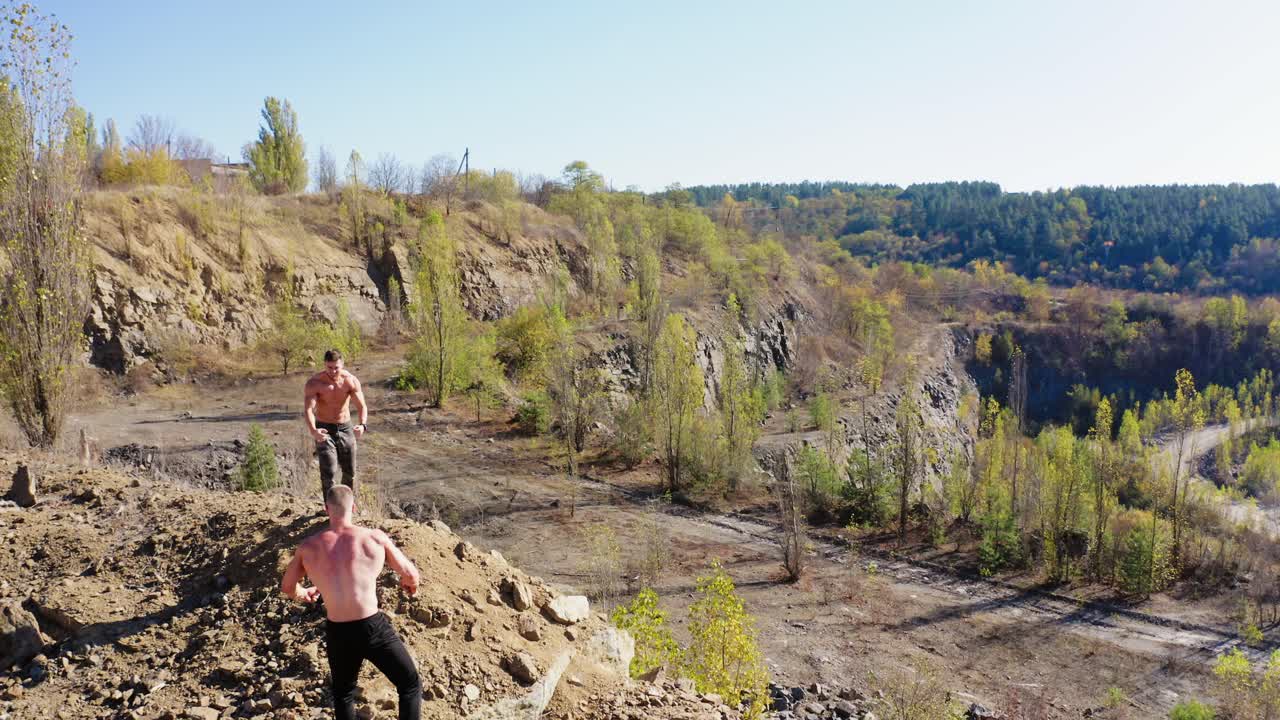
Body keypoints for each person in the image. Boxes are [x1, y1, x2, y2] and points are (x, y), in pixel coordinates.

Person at [281, 485, 423, 720]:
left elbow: (287, 587)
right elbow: (411, 574)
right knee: (409, 684)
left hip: (338, 631)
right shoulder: (374, 538)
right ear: (354, 508)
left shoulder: (308, 548)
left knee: (344, 693)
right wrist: (410, 585)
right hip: (372, 627)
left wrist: (302, 593)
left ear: (327, 509)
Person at [304, 349, 368, 499]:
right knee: (329, 471)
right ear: (324, 365)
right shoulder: (315, 383)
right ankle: (330, 509)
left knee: (350, 472)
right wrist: (314, 430)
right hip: (324, 429)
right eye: (329, 367)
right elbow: (308, 409)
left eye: (336, 367)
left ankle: (347, 506)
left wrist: (362, 424)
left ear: (342, 364)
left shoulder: (350, 380)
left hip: (345, 428)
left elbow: (362, 406)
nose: (333, 371)